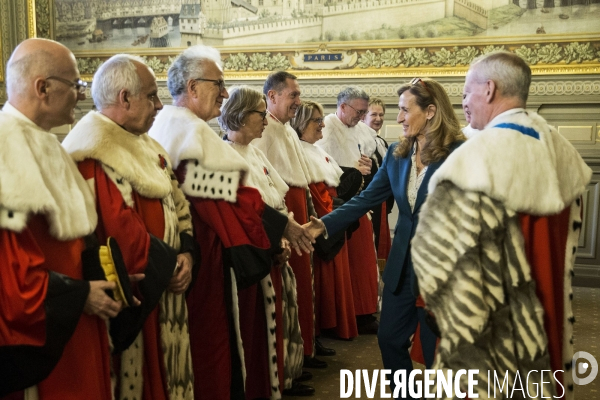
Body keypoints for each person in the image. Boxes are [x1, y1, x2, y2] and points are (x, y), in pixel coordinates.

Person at [411, 51, 592, 399]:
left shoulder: (474, 160)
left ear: (490, 89)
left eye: (467, 92)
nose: (463, 102)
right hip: (545, 327)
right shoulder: (560, 149)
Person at [148, 48, 314, 399]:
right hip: (202, 261)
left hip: (193, 254)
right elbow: (224, 195)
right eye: (218, 84)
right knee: (209, 349)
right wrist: (280, 230)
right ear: (193, 87)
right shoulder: (188, 134)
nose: (224, 93)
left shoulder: (179, 129)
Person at [305, 78, 465, 398]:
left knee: (438, 349)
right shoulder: (397, 153)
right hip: (402, 266)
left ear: (431, 111)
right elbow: (364, 200)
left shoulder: (460, 154)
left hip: (443, 270)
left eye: (406, 110)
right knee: (389, 338)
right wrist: (322, 225)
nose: (399, 118)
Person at [62, 54, 196, 400]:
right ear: (125, 98)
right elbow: (119, 231)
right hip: (138, 294)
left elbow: (179, 205)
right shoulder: (94, 150)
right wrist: (168, 267)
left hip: (168, 281)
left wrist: (187, 253)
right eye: (152, 95)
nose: (159, 104)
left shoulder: (148, 144)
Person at [0, 38, 124, 399]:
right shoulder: (7, 148)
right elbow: (10, 270)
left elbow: (74, 238)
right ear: (43, 88)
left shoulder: (46, 141)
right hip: (45, 328)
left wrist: (105, 278)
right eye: (76, 85)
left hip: (74, 317)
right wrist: (79, 295)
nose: (81, 95)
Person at [219, 86, 316, 397]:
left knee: (280, 321)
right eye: (260, 115)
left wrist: (284, 234)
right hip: (255, 255)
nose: (265, 121)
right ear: (240, 116)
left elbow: (276, 199)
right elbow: (243, 213)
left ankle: (284, 376)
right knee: (257, 329)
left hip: (275, 248)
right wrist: (276, 240)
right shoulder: (224, 155)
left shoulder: (256, 151)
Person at [252, 71, 331, 369]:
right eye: (293, 95)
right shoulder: (265, 130)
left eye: (298, 95)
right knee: (291, 290)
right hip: (284, 218)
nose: (299, 101)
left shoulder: (284, 129)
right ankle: (295, 359)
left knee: (303, 288)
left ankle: (307, 346)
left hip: (297, 213)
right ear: (272, 96)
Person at [290, 100, 359, 341]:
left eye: (321, 120)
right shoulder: (299, 151)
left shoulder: (316, 150)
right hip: (324, 222)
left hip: (333, 217)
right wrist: (337, 214)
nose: (322, 125)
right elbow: (317, 197)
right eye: (316, 120)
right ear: (301, 123)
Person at [315, 86, 380, 334]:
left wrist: (368, 166)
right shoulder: (328, 129)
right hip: (339, 202)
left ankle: (364, 310)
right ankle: (355, 313)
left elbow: (368, 163)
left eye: (364, 111)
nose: (361, 117)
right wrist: (354, 171)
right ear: (342, 107)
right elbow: (326, 168)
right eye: (358, 111)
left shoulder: (360, 129)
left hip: (359, 200)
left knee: (364, 259)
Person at [362, 97, 393, 263]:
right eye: (374, 114)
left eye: (381, 115)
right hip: (368, 204)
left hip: (382, 205)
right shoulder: (358, 141)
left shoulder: (382, 143)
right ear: (363, 117)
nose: (378, 119)